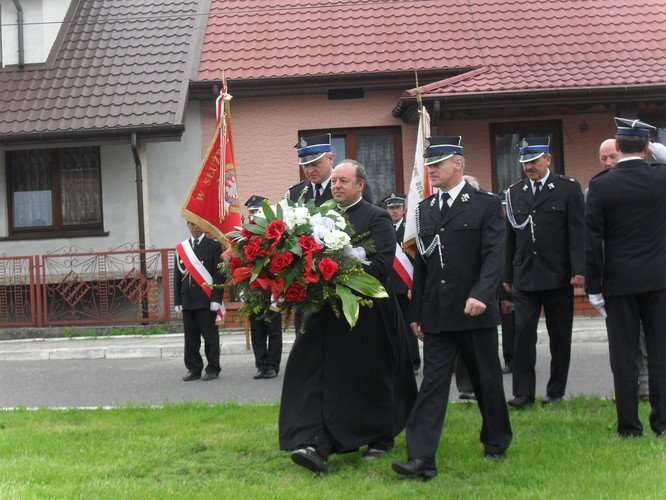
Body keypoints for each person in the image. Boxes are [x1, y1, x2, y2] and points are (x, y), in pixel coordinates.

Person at [279, 160, 418, 474]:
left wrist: (343, 262)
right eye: (334, 182)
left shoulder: (377, 217)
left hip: (368, 315)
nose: (336, 186)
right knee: (312, 372)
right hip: (325, 311)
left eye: (343, 181)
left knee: (367, 378)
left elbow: (382, 266)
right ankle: (314, 441)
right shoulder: (320, 215)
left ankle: (379, 437)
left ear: (360, 186)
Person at [391, 136, 512, 480]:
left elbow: (494, 256)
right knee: (432, 384)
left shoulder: (486, 204)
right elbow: (423, 268)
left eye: (437, 164)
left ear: (457, 163)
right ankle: (421, 459)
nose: (431, 171)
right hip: (438, 316)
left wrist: (482, 294)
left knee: (486, 382)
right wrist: (416, 314)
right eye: (428, 165)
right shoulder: (425, 209)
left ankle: (496, 441)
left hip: (475, 312)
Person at [585, 117, 666, 438]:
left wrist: (593, 288)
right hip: (659, 280)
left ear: (616, 148)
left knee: (624, 358)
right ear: (647, 147)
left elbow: (591, 243)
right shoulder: (661, 177)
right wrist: (655, 149)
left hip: (618, 283)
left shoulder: (601, 185)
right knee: (660, 354)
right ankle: (662, 423)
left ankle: (629, 426)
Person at [503, 137, 585, 408]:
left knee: (559, 335)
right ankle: (523, 394)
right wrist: (507, 275)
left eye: (533, 162)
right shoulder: (515, 192)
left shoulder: (566, 188)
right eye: (524, 163)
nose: (528, 167)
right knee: (523, 333)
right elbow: (510, 238)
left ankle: (555, 391)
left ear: (547, 159)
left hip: (558, 274)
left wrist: (578, 269)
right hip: (525, 275)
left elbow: (577, 231)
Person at [173, 220, 224, 381]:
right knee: (190, 339)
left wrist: (216, 298)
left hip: (206, 300)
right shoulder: (182, 248)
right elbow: (177, 277)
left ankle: (213, 368)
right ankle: (194, 368)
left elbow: (219, 275)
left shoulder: (214, 246)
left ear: (203, 225)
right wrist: (177, 301)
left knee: (210, 338)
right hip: (187, 300)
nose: (194, 227)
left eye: (196, 224)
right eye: (190, 224)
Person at [244, 195, 283, 380]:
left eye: (257, 211)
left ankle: (273, 366)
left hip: (272, 287)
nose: (253, 215)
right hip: (253, 288)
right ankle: (261, 365)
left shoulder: (272, 233)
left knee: (273, 328)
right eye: (251, 212)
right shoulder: (244, 235)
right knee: (257, 328)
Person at [383, 192, 421, 373]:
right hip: (388, 284)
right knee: (389, 326)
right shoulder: (383, 227)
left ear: (404, 209)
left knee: (408, 327)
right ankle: (394, 360)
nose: (394, 211)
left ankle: (413, 362)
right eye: (391, 208)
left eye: (397, 208)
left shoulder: (409, 229)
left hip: (406, 285)